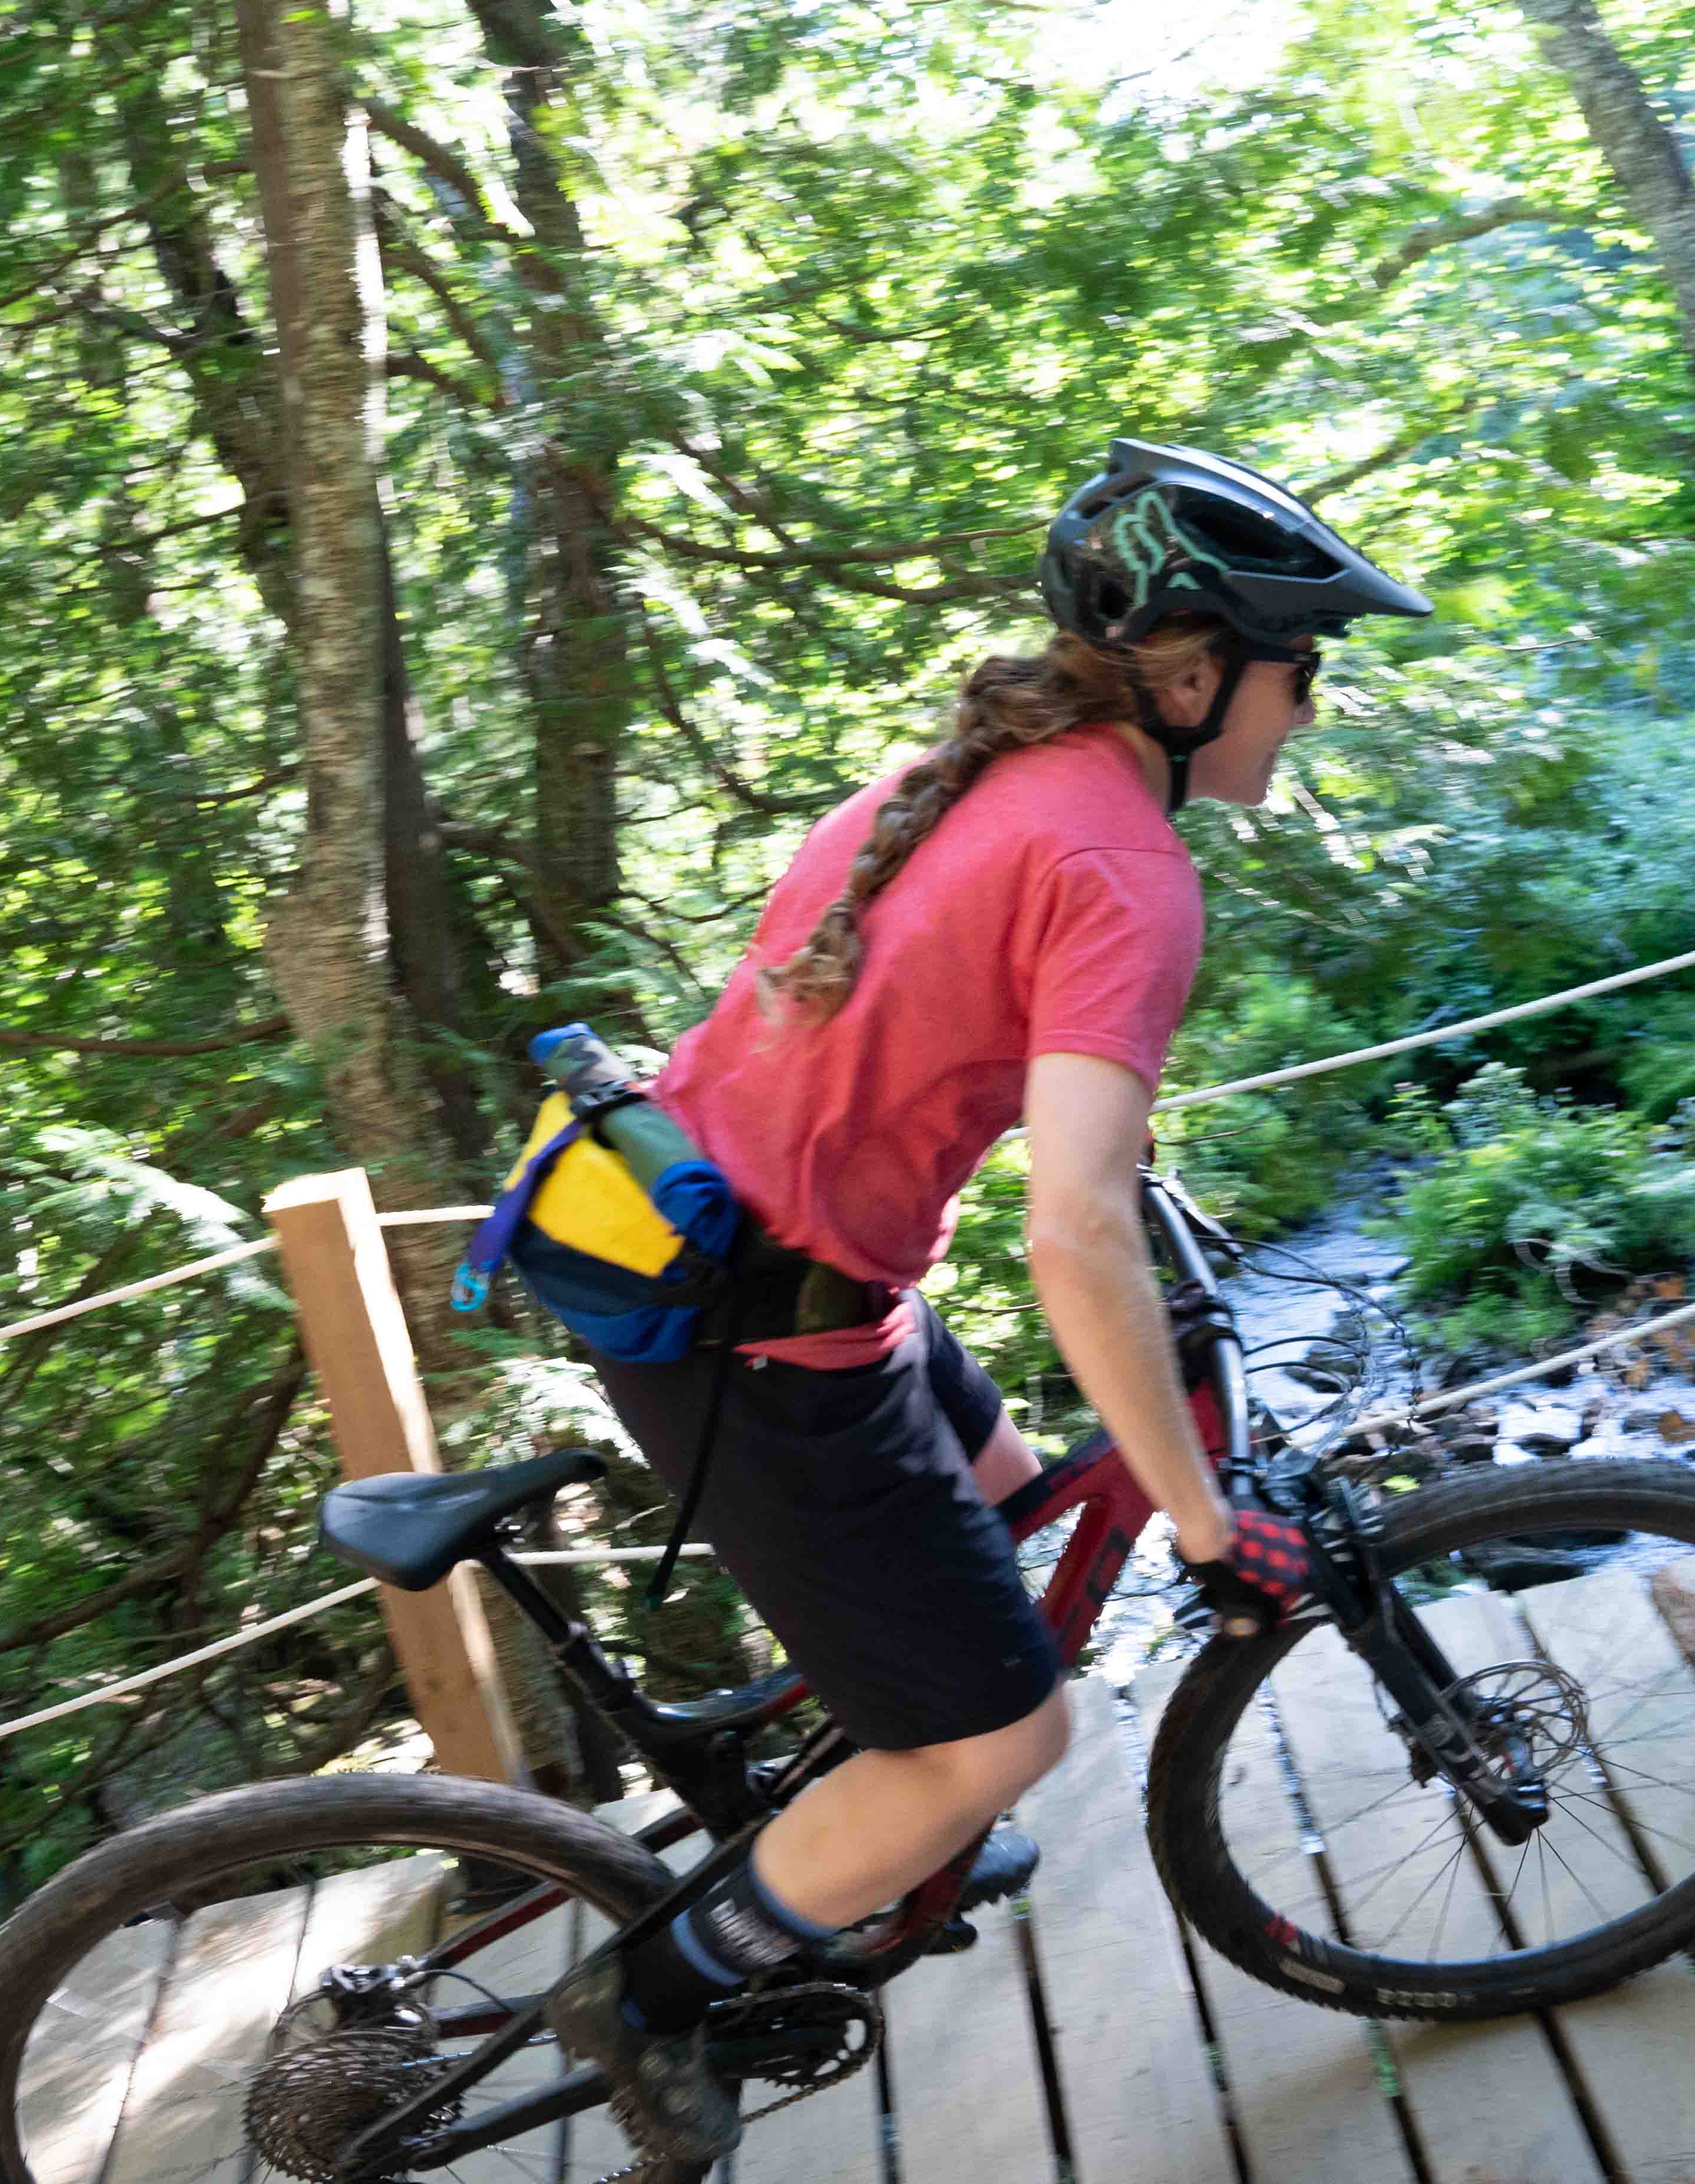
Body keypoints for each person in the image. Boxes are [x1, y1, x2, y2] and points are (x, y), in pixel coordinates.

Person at [551, 438, 1436, 2163]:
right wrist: (1200, 1520)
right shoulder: (1125, 867)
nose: (1305, 711)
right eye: (1296, 671)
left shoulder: (973, 775)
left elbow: (933, 1037)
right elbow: (1070, 1232)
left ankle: (877, 1809)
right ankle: (659, 1988)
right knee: (1002, 1736)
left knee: (1028, 1510)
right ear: (1189, 675)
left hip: (744, 1257)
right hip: (770, 1346)